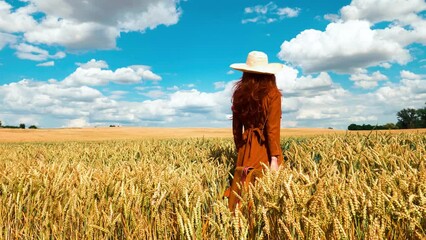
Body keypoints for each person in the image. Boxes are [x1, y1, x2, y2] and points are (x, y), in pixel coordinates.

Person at [225, 51, 284, 211]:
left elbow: (236, 128)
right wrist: (274, 158)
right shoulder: (273, 94)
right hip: (264, 148)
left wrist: (241, 149)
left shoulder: (239, 94)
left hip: (245, 147)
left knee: (241, 189)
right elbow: (272, 130)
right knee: (263, 194)